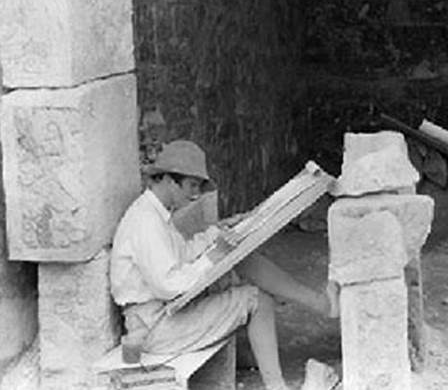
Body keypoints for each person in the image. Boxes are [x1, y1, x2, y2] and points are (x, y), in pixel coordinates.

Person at [110, 140, 339, 390]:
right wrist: (213, 257)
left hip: (163, 313)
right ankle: (277, 387)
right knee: (256, 299)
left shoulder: (157, 214)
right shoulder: (146, 222)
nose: (195, 194)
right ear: (167, 180)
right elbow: (169, 286)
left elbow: (184, 253)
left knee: (242, 262)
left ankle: (322, 304)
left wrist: (219, 232)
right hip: (156, 328)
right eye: (191, 185)